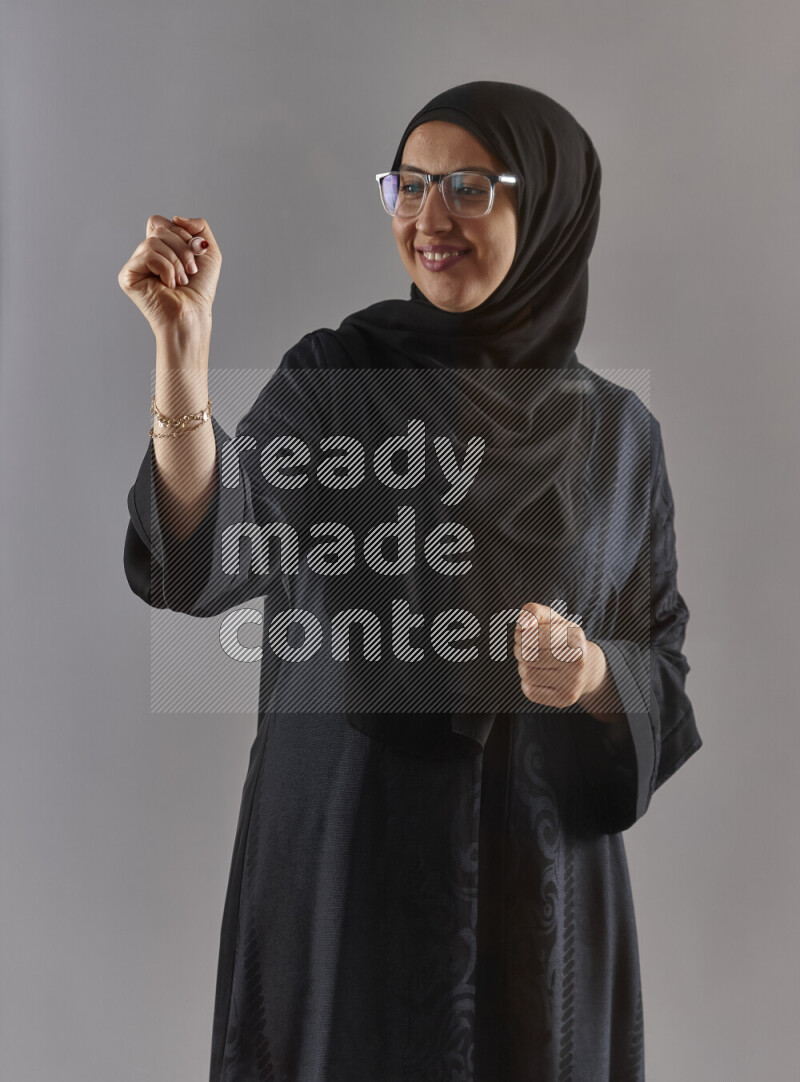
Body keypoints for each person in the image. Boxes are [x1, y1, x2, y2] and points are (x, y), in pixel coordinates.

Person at [120, 81, 702, 1082]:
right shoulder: (337, 380)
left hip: (537, 890)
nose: (428, 219)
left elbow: (659, 664)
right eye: (410, 184)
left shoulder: (619, 436)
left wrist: (595, 673)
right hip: (346, 869)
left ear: (549, 207)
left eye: (469, 187)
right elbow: (217, 548)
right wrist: (182, 362)